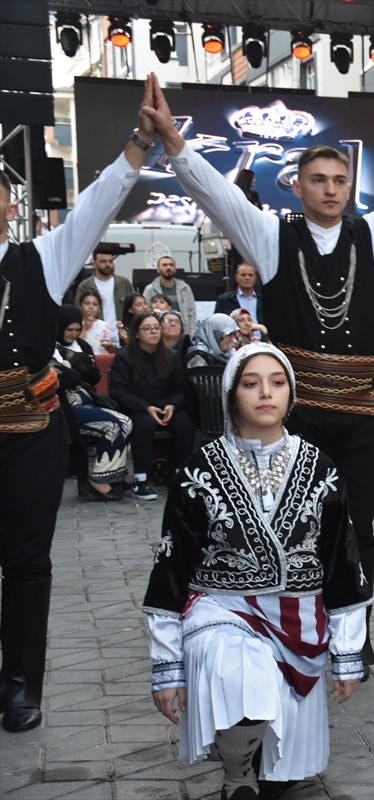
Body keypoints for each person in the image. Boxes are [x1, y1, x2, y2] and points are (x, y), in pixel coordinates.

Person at [144, 74, 374, 668]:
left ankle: (355, 633)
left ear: (351, 187)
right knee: (294, 524)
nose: (331, 190)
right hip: (296, 417)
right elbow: (216, 195)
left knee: (361, 524)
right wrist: (172, 139)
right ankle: (290, 626)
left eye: (340, 181)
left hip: (360, 413)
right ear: (296, 186)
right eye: (319, 181)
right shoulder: (272, 236)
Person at [143, 343, 371, 800]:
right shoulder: (199, 470)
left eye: (278, 382)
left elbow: (342, 565)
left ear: (291, 393)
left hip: (300, 617)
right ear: (231, 395)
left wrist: (349, 654)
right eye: (251, 383)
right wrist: (166, 665)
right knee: (241, 671)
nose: (265, 393)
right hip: (221, 608)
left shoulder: (321, 468)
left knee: (288, 775)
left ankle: (272, 767)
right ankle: (237, 774)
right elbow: (171, 566)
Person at [0, 75, 151, 733]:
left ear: (8, 206)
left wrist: (139, 147)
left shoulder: (39, 258)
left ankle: (17, 684)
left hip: (29, 429)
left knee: (28, 560)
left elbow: (93, 207)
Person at [109, 312, 196, 501]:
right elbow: (118, 391)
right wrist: (145, 407)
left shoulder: (171, 356)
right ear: (137, 334)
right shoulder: (124, 357)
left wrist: (172, 405)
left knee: (185, 423)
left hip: (165, 405)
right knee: (144, 424)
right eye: (147, 329)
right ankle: (140, 479)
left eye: (156, 328)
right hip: (136, 406)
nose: (153, 332)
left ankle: (181, 476)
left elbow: (180, 388)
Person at [54, 305, 132, 502]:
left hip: (88, 400)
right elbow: (62, 380)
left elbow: (94, 375)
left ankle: (112, 477)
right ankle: (99, 481)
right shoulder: (50, 348)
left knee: (126, 421)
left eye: (76, 330)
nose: (72, 334)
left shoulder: (83, 345)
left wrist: (73, 366)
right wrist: (80, 366)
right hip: (67, 408)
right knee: (115, 425)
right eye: (68, 330)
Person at [143, 245, 197, 335]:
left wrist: (190, 335)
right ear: (158, 269)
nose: (168, 267)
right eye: (164, 265)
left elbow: (192, 313)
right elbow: (145, 312)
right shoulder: (150, 289)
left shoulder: (185, 288)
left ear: (175, 269)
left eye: (171, 265)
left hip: (181, 333)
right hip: (159, 333)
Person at [75, 248, 134, 330]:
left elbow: (134, 307)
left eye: (110, 261)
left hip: (121, 334)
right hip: (94, 334)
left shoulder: (124, 283)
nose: (107, 265)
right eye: (103, 261)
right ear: (94, 263)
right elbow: (78, 312)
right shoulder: (85, 286)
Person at [79, 288, 119, 354]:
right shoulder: (76, 325)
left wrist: (109, 347)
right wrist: (85, 328)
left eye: (95, 304)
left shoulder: (106, 326)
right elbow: (75, 346)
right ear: (80, 306)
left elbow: (114, 352)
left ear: (99, 308)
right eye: (86, 303)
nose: (91, 307)